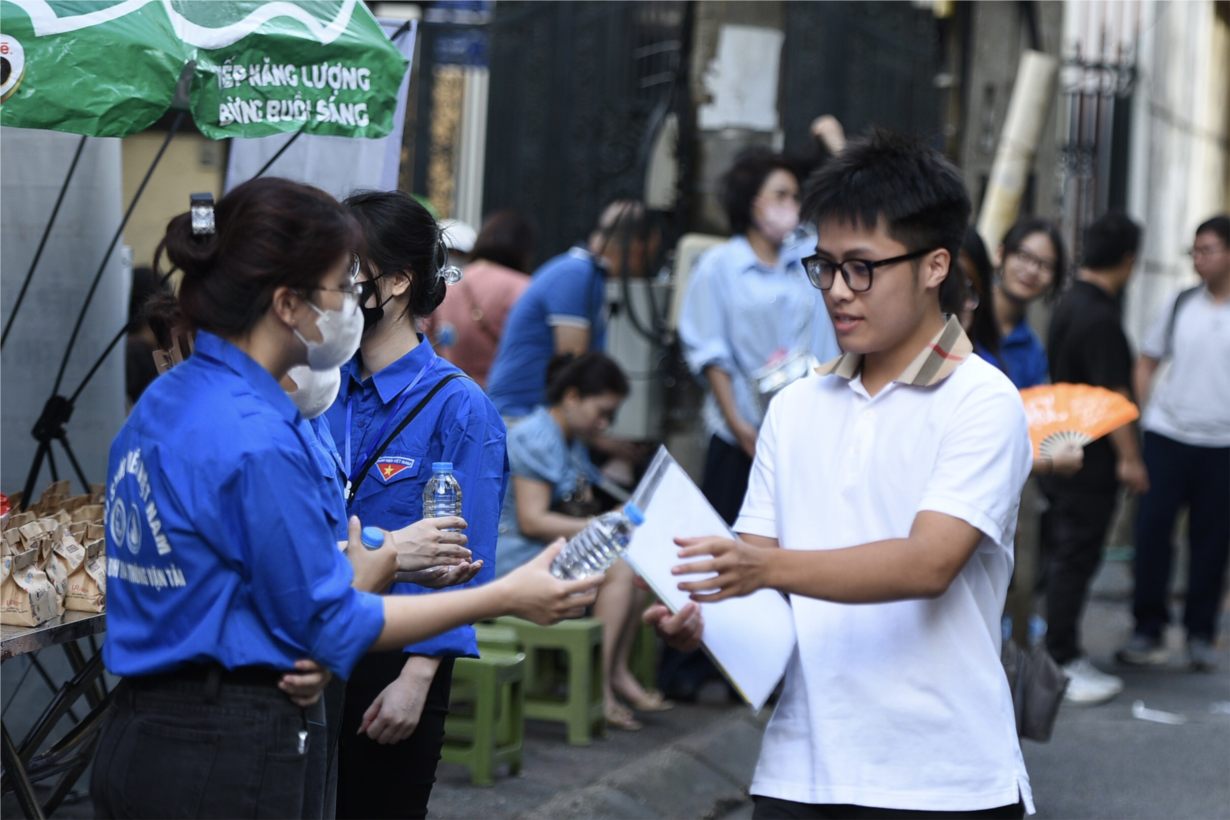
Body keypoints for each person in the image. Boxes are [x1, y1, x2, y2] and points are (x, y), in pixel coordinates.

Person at [91, 178, 602, 820]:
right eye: (337, 287)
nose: (347, 305)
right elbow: (327, 615)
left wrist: (309, 649)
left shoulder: (168, 401)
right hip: (222, 744)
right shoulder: (260, 433)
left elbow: (244, 574)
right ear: (288, 303)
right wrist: (494, 590)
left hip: (150, 722)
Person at [652, 130, 1034, 819]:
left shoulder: (983, 399)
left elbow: (926, 564)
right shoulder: (796, 405)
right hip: (800, 769)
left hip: (945, 779)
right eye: (823, 266)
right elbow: (755, 569)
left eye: (862, 268)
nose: (836, 291)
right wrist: (702, 618)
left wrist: (760, 572)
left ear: (934, 265)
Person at [328, 190, 508, 820]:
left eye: (346, 269)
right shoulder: (320, 389)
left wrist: (417, 679)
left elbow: (467, 559)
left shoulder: (461, 407)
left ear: (399, 280)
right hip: (313, 647)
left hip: (397, 662)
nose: (331, 287)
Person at [495, 351, 669, 729]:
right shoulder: (536, 437)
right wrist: (605, 523)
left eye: (611, 416)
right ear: (571, 397)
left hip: (542, 549)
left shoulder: (569, 438)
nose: (605, 424)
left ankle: (616, 672)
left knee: (635, 566)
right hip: (513, 556)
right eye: (602, 412)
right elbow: (533, 520)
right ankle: (600, 688)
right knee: (619, 568)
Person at [679, 147, 840, 525]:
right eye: (780, 195)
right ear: (753, 204)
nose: (791, 204)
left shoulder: (803, 261)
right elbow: (710, 353)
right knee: (732, 536)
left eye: (796, 197)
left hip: (802, 427)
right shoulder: (720, 266)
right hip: (741, 433)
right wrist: (739, 425)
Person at [1039, 210, 1148, 705]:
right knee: (1075, 558)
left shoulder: (1067, 305)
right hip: (1088, 459)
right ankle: (1060, 658)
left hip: (1063, 447)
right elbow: (1116, 397)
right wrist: (1131, 459)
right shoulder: (1101, 317)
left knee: (1068, 556)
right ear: (1128, 260)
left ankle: (1060, 652)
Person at [1118, 214, 1230, 672]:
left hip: (1222, 445)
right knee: (1150, 533)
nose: (1198, 258)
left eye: (1207, 249)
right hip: (1167, 436)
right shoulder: (1182, 302)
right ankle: (1148, 628)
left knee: (1211, 542)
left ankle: (1201, 633)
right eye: (1195, 250)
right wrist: (1141, 420)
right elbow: (1145, 362)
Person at [485, 200, 656, 421]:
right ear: (637, 250)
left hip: (540, 419)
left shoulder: (591, 276)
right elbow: (575, 370)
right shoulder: (576, 275)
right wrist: (605, 441)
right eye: (651, 255)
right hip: (518, 419)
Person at [428, 210, 538, 388]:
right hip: (500, 396)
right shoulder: (524, 288)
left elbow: (426, 340)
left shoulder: (447, 284)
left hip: (449, 391)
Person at [990, 218, 1067, 389]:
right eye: (1024, 256)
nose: (1032, 270)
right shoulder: (964, 318)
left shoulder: (1034, 353)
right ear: (1000, 254)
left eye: (1046, 265)